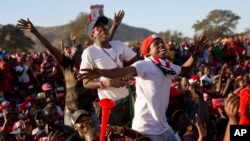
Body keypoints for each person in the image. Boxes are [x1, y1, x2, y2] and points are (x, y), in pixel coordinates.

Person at [78, 33, 208, 141]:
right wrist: (101, 72)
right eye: (156, 44)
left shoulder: (167, 67)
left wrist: (196, 53)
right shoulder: (144, 65)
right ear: (148, 52)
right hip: (146, 128)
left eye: (161, 42)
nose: (161, 45)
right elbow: (122, 71)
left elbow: (183, 70)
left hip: (162, 126)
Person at [17, 10, 125, 129]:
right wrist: (35, 32)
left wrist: (114, 25)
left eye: (80, 51)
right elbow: (50, 47)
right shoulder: (67, 64)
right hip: (71, 111)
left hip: (88, 110)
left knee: (97, 135)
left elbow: (103, 43)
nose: (78, 53)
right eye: (75, 51)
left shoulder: (90, 61)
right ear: (70, 54)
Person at [79, 13, 138, 130]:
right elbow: (85, 82)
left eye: (105, 27)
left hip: (128, 100)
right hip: (110, 106)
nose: (103, 29)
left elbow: (137, 64)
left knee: (134, 132)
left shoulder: (119, 45)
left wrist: (127, 76)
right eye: (98, 28)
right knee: (116, 135)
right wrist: (108, 83)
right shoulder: (90, 52)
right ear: (93, 34)